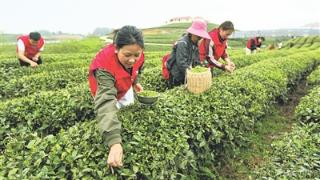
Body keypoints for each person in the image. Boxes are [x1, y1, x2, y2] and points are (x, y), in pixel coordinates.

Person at [88, 25, 144, 168]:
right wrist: (114, 142)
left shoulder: (138, 53)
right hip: (106, 89)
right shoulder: (104, 64)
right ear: (116, 48)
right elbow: (106, 101)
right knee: (110, 113)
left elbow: (136, 68)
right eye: (127, 55)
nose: (132, 59)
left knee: (126, 113)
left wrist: (134, 82)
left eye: (136, 55)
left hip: (125, 86)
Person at [166, 18, 211, 88]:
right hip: (177, 75)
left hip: (186, 74)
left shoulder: (194, 44)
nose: (200, 39)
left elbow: (197, 61)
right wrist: (193, 74)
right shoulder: (183, 43)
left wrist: (201, 69)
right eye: (198, 37)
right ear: (192, 33)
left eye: (201, 38)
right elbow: (181, 63)